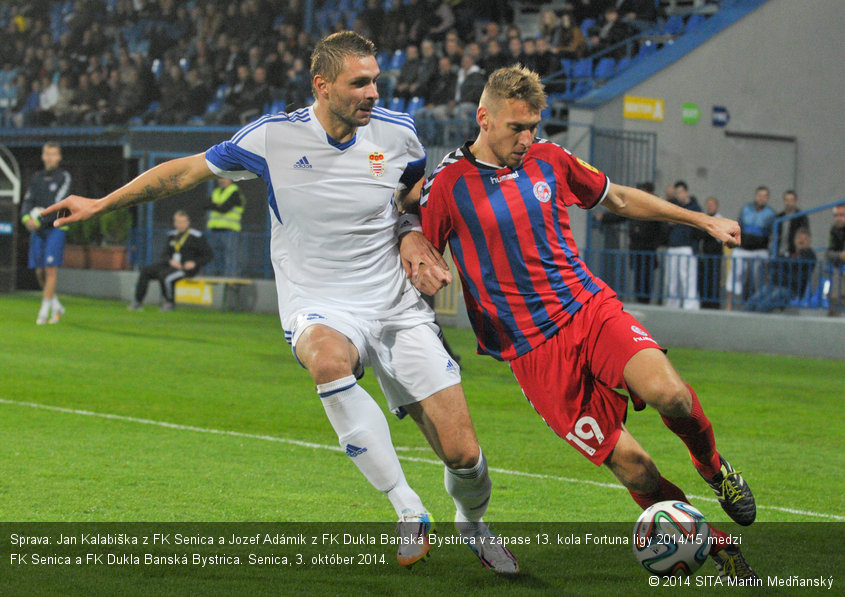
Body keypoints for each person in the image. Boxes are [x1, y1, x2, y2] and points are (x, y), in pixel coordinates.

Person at [43, 31, 518, 575]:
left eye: (376, 81)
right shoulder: (272, 137)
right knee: (327, 361)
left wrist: (411, 232)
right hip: (318, 303)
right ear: (322, 85)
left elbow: (412, 196)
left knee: (462, 455)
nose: (372, 92)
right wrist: (103, 201)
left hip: (395, 305)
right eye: (359, 82)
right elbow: (183, 172)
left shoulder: (398, 132)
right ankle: (406, 505)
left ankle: (473, 523)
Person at [408, 66, 758, 581]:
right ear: (484, 118)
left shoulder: (550, 159)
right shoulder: (446, 186)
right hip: (533, 352)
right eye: (516, 128)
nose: (527, 139)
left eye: (534, 126)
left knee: (673, 396)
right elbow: (416, 242)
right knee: (635, 467)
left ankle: (714, 468)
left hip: (587, 308)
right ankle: (713, 544)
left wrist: (702, 221)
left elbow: (615, 197)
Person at [21, 141, 71, 325]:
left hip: (56, 228)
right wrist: (27, 219)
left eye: (53, 154)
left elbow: (59, 204)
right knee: (40, 271)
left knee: (50, 270)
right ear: (43, 156)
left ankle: (43, 314)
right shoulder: (36, 178)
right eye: (47, 154)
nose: (50, 158)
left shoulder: (64, 177)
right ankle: (56, 305)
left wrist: (39, 220)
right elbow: (27, 201)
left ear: (59, 157)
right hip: (38, 230)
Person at [128, 210, 212, 311]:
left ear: (188, 223)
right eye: (178, 222)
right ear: (175, 223)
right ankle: (137, 302)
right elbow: (164, 254)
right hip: (171, 265)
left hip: (186, 269)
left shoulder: (196, 236)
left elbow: (208, 255)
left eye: (183, 222)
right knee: (146, 270)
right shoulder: (171, 235)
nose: (181, 225)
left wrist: (194, 263)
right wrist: (170, 261)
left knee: (165, 276)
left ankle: (169, 303)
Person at [725, 186, 776, 310]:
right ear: (755, 196)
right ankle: (729, 304)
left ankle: (757, 305)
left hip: (760, 250)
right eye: (759, 195)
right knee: (734, 276)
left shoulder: (771, 214)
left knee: (759, 279)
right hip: (742, 249)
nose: (761, 198)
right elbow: (737, 227)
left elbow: (773, 234)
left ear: (768, 198)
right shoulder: (746, 209)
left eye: (764, 196)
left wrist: (770, 252)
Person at [743, 228, 815, 312]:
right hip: (774, 285)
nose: (801, 241)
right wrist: (786, 266)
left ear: (809, 242)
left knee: (764, 305)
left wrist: (784, 266)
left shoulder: (809, 256)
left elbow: (794, 268)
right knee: (752, 301)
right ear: (795, 240)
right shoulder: (788, 253)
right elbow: (774, 264)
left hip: (791, 290)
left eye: (805, 239)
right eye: (799, 238)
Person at [663, 181, 701, 310]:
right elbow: (665, 227)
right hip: (673, 246)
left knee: (688, 277)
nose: (678, 195)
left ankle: (690, 305)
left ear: (686, 191)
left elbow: (698, 230)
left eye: (680, 192)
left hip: (687, 247)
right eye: (676, 193)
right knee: (672, 278)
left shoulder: (695, 208)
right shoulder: (673, 207)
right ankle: (672, 303)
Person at [627, 182, 662, 304]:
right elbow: (621, 214)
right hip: (637, 250)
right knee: (638, 277)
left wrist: (654, 244)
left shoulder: (656, 206)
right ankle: (640, 298)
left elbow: (661, 229)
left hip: (648, 251)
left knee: (647, 278)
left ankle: (645, 299)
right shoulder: (635, 205)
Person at [205, 177, 245, 277]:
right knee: (215, 254)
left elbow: (224, 209)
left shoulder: (234, 192)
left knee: (230, 255)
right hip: (215, 229)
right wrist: (218, 205)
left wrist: (214, 205)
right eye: (220, 178)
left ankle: (230, 277)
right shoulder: (216, 191)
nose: (221, 180)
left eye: (224, 178)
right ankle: (216, 275)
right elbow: (205, 205)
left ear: (230, 179)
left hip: (230, 230)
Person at [698, 196, 724, 309]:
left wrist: (707, 232)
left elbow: (716, 235)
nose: (709, 207)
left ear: (717, 207)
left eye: (712, 205)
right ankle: (704, 303)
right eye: (708, 205)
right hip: (705, 255)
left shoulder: (719, 219)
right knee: (704, 281)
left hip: (715, 256)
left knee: (714, 281)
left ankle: (714, 305)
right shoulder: (705, 218)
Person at [775, 190, 809, 257]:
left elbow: (805, 236)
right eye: (786, 200)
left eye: (791, 200)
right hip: (779, 253)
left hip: (793, 254)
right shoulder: (779, 217)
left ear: (795, 201)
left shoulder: (801, 217)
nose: (788, 203)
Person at [827, 204, 845, 316]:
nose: (838, 218)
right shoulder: (833, 230)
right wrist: (839, 255)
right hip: (837, 267)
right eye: (836, 215)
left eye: (842, 215)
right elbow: (828, 252)